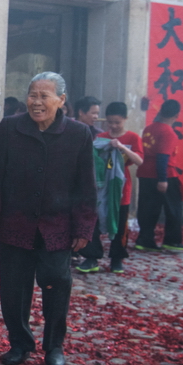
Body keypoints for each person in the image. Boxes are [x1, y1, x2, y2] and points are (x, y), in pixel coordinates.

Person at [0, 72, 95, 365]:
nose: (37, 102)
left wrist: (84, 228)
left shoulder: (79, 134)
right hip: (15, 222)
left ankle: (54, 346)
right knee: (13, 290)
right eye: (32, 94)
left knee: (58, 283)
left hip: (58, 227)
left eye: (45, 96)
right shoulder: (10, 127)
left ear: (62, 101)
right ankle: (20, 343)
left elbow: (86, 186)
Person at [95, 102, 144, 273]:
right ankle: (92, 256)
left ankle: (117, 258)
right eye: (110, 122)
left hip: (122, 186)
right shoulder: (101, 137)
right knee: (95, 220)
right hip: (102, 185)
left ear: (125, 119)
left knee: (121, 223)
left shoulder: (132, 138)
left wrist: (122, 148)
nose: (114, 126)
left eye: (117, 122)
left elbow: (139, 161)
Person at [136, 99, 183, 252]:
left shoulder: (149, 128)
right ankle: (172, 241)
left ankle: (144, 239)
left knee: (147, 208)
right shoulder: (168, 132)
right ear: (177, 115)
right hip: (164, 175)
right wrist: (163, 179)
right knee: (173, 208)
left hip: (145, 173)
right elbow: (162, 157)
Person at [72, 96, 103, 272]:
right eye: (93, 113)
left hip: (89, 182)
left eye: (98, 113)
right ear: (81, 112)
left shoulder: (98, 134)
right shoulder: (68, 130)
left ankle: (92, 257)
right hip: (67, 183)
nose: (96, 116)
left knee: (90, 218)